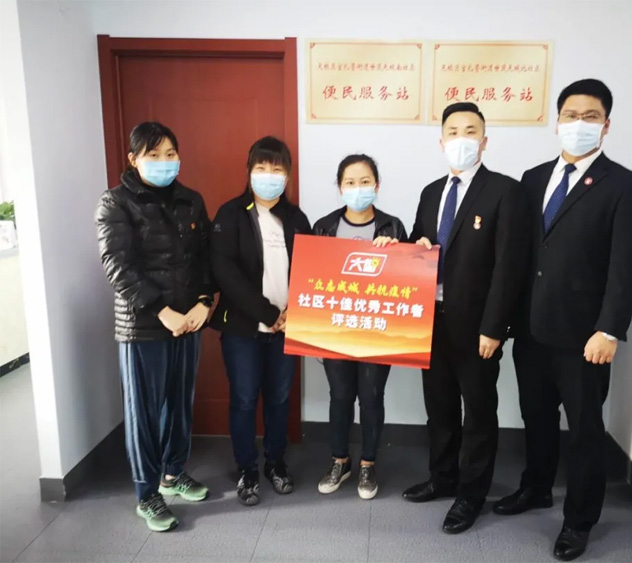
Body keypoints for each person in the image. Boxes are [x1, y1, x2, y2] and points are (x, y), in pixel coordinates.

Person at [492, 79, 632, 561]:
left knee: (583, 429)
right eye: (570, 115)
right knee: (536, 415)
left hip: (586, 337)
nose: (578, 124)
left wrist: (609, 329)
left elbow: (628, 265)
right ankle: (536, 487)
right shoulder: (533, 178)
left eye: (590, 116)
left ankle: (579, 521)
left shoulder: (625, 185)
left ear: (606, 125)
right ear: (556, 120)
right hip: (531, 329)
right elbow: (521, 253)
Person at [402, 102, 529, 533]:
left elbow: (509, 266)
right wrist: (406, 247)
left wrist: (494, 327)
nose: (461, 139)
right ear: (441, 141)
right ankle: (442, 478)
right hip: (430, 321)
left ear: (484, 141)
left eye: (470, 131)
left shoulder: (505, 191)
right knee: (439, 408)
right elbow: (418, 247)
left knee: (477, 412)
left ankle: (471, 495)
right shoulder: (431, 192)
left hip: (477, 328)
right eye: (453, 132)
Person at [95, 122, 213, 532]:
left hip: (188, 322)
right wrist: (162, 311)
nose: (165, 162)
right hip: (143, 325)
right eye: (154, 155)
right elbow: (117, 267)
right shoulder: (115, 202)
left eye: (170, 154)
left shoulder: (191, 200)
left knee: (179, 403)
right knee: (143, 411)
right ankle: (147, 494)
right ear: (133, 159)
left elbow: (205, 258)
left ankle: (173, 473)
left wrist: (204, 302)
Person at [209, 136, 311, 507]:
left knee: (280, 398)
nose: (269, 175)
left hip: (287, 328)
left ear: (287, 175)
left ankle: (276, 463)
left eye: (277, 168)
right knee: (244, 398)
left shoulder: (297, 219)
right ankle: (247, 469)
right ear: (250, 171)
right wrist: (269, 314)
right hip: (243, 329)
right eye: (261, 167)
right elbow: (226, 273)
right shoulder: (231, 214)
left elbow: (312, 270)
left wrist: (296, 312)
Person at [312, 154, 408, 500]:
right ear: (340, 188)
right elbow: (312, 280)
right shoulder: (323, 226)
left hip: (377, 330)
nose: (358, 188)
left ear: (377, 185)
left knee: (370, 397)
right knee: (340, 396)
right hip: (336, 329)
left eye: (365, 181)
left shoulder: (392, 226)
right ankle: (340, 460)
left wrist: (396, 251)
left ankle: (368, 463)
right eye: (350, 182)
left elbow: (409, 280)